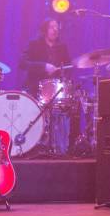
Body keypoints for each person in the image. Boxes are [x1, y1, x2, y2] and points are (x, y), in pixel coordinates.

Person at [20, 19, 72, 155]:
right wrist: (43, 66)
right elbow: (22, 63)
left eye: (57, 26)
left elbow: (68, 67)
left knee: (63, 112)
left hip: (57, 90)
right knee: (36, 117)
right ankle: (33, 145)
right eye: (51, 27)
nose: (55, 29)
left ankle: (59, 146)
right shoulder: (34, 44)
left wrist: (63, 73)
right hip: (36, 88)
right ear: (44, 30)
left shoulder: (62, 47)